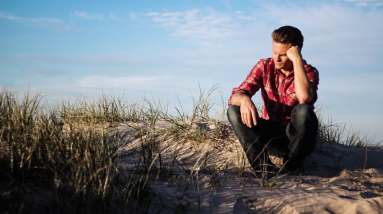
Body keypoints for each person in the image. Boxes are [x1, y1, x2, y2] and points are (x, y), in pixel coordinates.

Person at [227, 26, 319, 172]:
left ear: (296, 52)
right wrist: (244, 99)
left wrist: (297, 60)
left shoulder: (308, 72)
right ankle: (263, 168)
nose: (277, 58)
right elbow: (236, 95)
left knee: (304, 110)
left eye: (282, 54)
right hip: (272, 136)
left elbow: (304, 98)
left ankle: (292, 164)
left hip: (299, 139)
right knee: (233, 110)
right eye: (274, 52)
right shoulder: (264, 66)